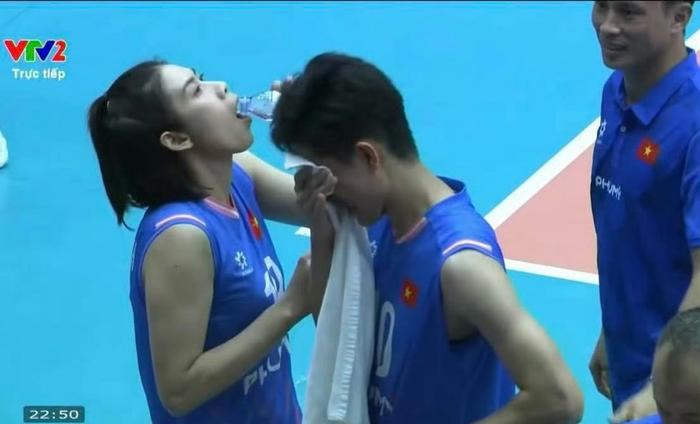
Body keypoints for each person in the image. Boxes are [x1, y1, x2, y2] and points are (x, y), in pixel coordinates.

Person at [270, 52, 584, 424]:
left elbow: (559, 397)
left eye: (328, 177)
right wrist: (321, 230)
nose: (327, 192)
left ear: (368, 157)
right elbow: (338, 336)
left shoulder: (461, 265)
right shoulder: (371, 219)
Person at [87, 60, 330, 423]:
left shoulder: (237, 173)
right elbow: (179, 391)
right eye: (196, 90)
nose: (221, 86)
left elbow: (326, 206)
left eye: (201, 79)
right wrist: (290, 308)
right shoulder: (181, 236)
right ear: (177, 139)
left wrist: (307, 135)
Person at [589, 1, 700, 421]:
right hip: (631, 355)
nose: (608, 26)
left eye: (629, 13)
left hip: (680, 390)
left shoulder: (695, 126)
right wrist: (612, 330)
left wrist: (662, 385)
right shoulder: (616, 91)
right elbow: (630, 232)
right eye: (602, 6)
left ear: (679, 17)